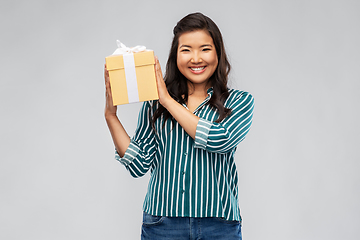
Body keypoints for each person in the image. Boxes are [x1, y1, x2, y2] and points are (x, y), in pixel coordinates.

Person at [104, 12, 254, 240]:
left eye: (205, 49)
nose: (196, 58)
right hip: (163, 224)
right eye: (186, 50)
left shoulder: (239, 101)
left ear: (218, 53)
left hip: (219, 225)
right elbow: (138, 165)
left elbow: (219, 139)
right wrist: (111, 115)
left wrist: (167, 100)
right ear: (175, 55)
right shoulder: (154, 104)